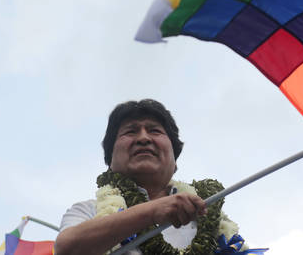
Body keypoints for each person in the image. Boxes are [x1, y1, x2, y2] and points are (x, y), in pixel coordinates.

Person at [54, 99, 209, 255]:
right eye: (130, 131)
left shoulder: (208, 211)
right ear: (110, 162)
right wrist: (152, 212)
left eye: (154, 130)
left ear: (174, 161)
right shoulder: (88, 211)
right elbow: (66, 248)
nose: (143, 138)